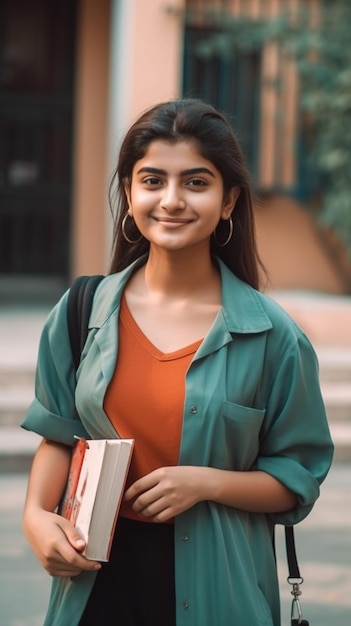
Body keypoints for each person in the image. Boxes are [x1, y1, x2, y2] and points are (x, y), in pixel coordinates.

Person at [22, 98, 333, 626]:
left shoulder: (273, 336)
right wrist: (35, 518)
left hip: (220, 589)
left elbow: (297, 478)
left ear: (228, 200)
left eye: (195, 182)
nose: (171, 200)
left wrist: (206, 483)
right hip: (94, 589)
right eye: (152, 180)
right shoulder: (82, 311)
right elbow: (59, 435)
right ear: (128, 191)